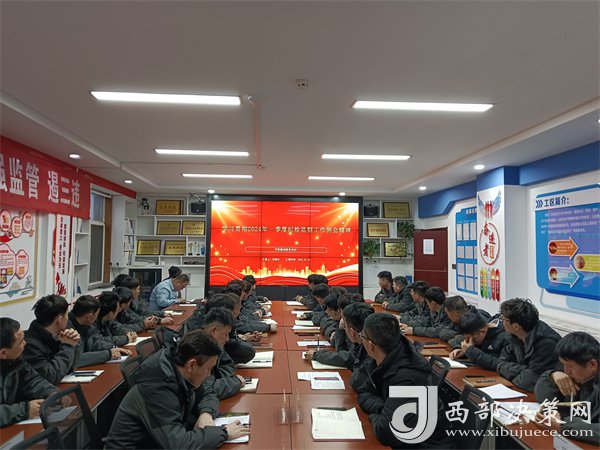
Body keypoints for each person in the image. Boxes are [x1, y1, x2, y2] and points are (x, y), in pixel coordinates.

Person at [105, 329, 249, 448]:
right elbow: (179, 445)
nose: (209, 375)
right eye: (208, 369)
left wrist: (206, 413)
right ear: (191, 365)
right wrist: (224, 433)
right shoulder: (157, 387)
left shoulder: (180, 371)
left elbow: (207, 392)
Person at [355, 313, 451, 448]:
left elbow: (385, 433)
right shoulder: (384, 358)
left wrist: (375, 415)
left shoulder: (408, 377)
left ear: (371, 345)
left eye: (362, 336)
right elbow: (364, 392)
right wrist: (383, 409)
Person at [534, 332, 599, 444]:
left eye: (569, 366)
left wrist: (563, 425)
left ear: (592, 365)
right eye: (563, 364)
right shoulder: (578, 372)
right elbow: (544, 399)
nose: (565, 371)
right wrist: (551, 376)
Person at [0, 318, 58, 427]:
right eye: (21, 342)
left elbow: (32, 381)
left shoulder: (15, 361)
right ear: (3, 353)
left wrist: (52, 393)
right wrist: (25, 410)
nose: (25, 343)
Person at [496, 298, 561, 392]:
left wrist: (514, 374)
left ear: (516, 326)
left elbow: (528, 381)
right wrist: (523, 370)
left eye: (503, 319)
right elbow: (501, 363)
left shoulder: (546, 343)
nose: (502, 321)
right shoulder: (515, 336)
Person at [23, 294, 81, 384]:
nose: (68, 319)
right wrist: (68, 346)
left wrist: (74, 343)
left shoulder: (60, 334)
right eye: (67, 314)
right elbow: (50, 377)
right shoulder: (29, 344)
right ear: (59, 320)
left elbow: (72, 367)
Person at [67, 295, 131, 366]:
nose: (97, 317)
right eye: (97, 314)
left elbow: (95, 343)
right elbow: (76, 359)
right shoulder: (69, 331)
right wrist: (108, 354)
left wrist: (113, 348)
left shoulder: (85, 325)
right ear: (89, 316)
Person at [202, 308, 246, 400]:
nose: (227, 339)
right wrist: (235, 382)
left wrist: (220, 380)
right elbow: (206, 389)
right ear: (214, 331)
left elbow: (229, 365)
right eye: (226, 334)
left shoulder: (215, 345)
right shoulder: (197, 350)